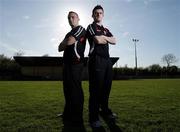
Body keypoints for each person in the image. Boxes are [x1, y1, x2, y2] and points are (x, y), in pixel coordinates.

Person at [86, 5, 116, 131]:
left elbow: (114, 40)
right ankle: (93, 118)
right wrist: (104, 38)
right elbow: (97, 40)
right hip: (96, 60)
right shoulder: (91, 27)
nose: (98, 15)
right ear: (93, 15)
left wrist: (105, 38)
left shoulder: (105, 28)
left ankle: (105, 111)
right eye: (96, 13)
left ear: (103, 15)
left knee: (106, 88)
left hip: (107, 60)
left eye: (100, 13)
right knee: (96, 91)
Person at [58, 11, 86, 130]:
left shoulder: (80, 29)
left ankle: (77, 117)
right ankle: (67, 114)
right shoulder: (69, 33)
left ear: (78, 18)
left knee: (75, 90)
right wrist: (67, 40)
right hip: (67, 64)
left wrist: (67, 41)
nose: (71, 19)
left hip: (76, 64)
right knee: (67, 90)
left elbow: (69, 42)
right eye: (69, 18)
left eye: (73, 17)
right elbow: (59, 48)